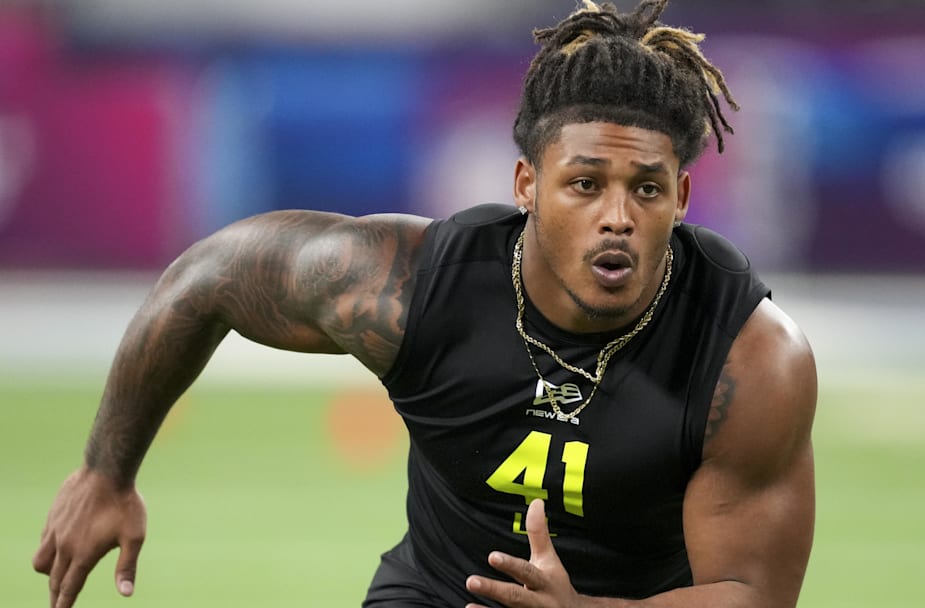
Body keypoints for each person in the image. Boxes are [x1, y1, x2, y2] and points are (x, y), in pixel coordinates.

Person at [32, 1, 817, 607]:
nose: (617, 216)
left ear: (680, 196)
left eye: (646, 188)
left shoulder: (745, 356)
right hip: (438, 592)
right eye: (584, 184)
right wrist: (106, 472)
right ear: (526, 187)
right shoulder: (414, 289)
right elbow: (208, 278)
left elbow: (752, 593)